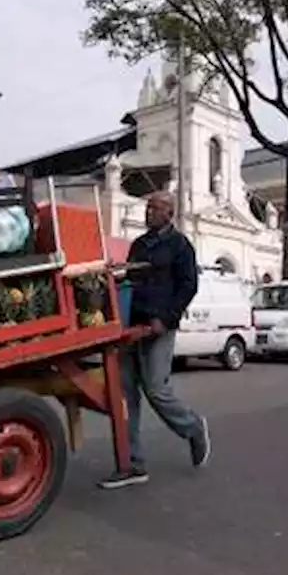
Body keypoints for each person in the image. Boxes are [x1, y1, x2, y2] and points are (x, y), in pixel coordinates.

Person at [99, 191, 210, 489]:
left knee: (156, 389)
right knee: (125, 395)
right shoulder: (139, 245)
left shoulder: (179, 246)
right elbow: (131, 280)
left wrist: (167, 317)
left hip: (159, 326)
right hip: (132, 326)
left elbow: (189, 286)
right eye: (147, 207)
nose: (149, 212)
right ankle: (132, 464)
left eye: (156, 208)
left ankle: (193, 427)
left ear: (169, 213)